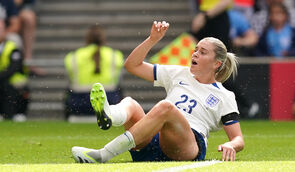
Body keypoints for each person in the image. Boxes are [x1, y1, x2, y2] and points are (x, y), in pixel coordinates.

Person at [71, 21, 244, 163]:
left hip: (187, 146)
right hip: (156, 139)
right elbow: (132, 66)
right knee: (130, 102)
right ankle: (109, 114)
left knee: (166, 107)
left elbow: (238, 139)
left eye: (203, 52)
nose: (195, 54)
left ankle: (103, 154)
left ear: (217, 64)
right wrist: (152, 39)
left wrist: (232, 145)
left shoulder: (224, 96)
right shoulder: (179, 73)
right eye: (196, 50)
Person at [64, 25, 124, 121]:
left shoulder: (73, 56)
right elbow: (119, 82)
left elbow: (69, 82)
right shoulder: (115, 55)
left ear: (86, 39)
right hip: (109, 103)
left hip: (79, 105)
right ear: (103, 39)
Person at [0, 19, 28, 122]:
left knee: (8, 86)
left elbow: (14, 68)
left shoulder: (12, 47)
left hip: (12, 81)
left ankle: (12, 114)